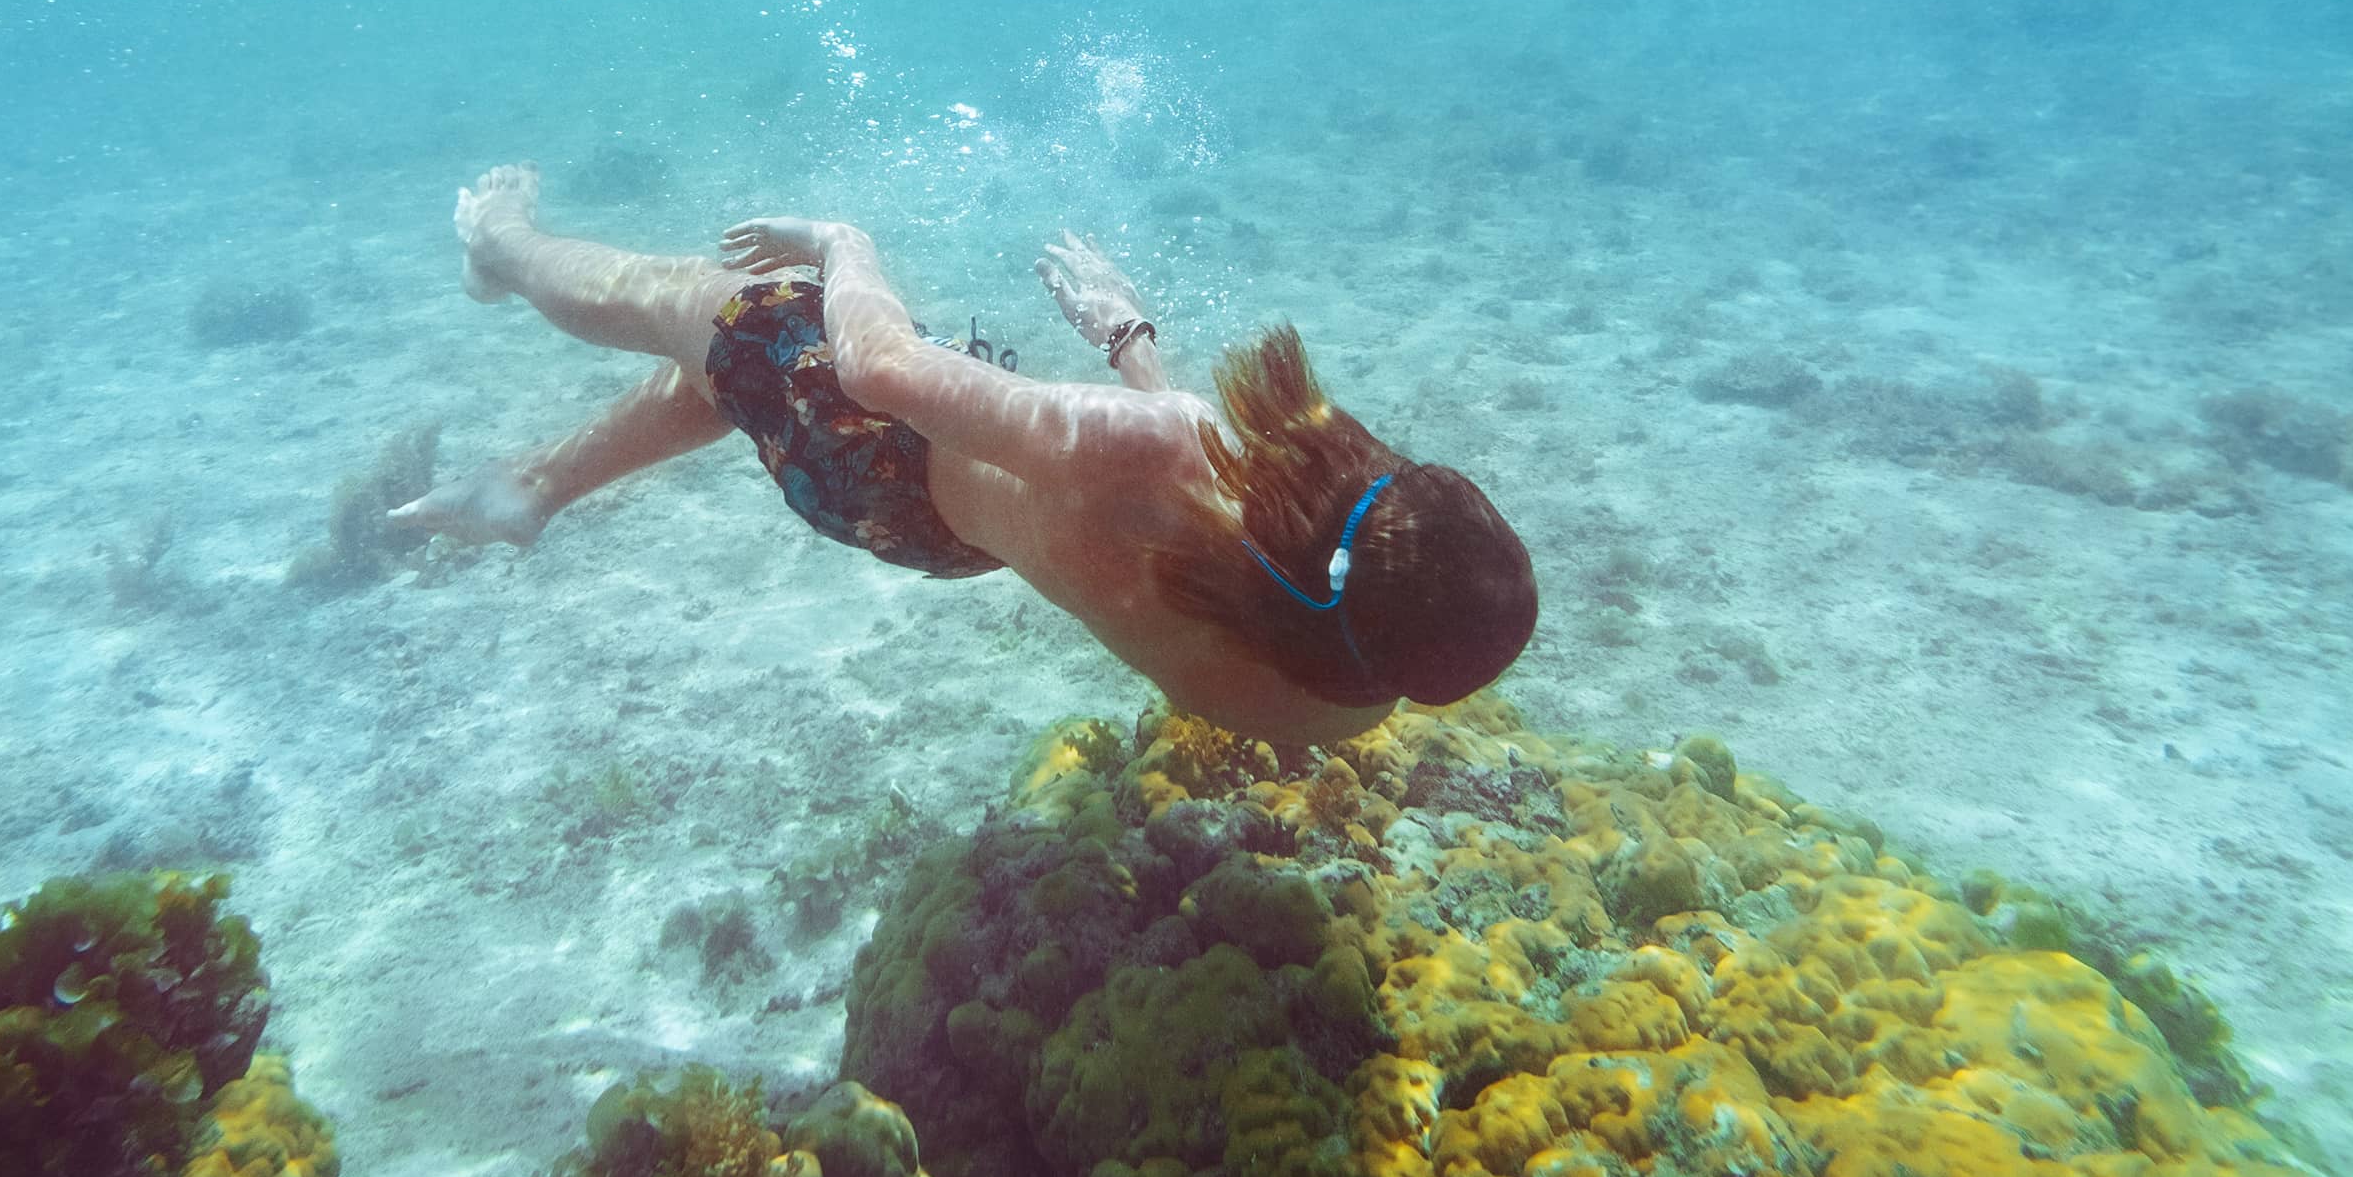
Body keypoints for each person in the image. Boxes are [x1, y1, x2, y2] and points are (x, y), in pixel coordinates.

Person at [400, 167, 1538, 743]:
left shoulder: (1174, 445)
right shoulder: (1335, 689)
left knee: (718, 308)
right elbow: (1194, 504)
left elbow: (878, 373)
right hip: (930, 536)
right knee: (734, 374)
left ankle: (495, 240)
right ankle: (531, 489)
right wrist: (1126, 339)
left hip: (865, 435)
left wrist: (851, 241)